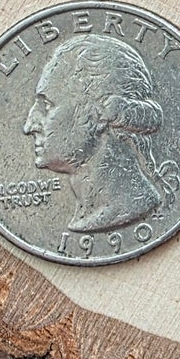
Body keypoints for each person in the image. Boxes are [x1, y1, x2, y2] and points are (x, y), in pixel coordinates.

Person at [22, 34, 172, 233]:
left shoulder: (128, 206)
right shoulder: (90, 211)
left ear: (99, 114)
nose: (29, 126)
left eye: (47, 105)